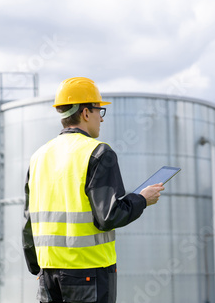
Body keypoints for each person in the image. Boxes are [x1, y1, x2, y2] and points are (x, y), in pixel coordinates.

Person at [22, 77, 164, 303]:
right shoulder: (98, 153)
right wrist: (142, 200)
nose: (101, 118)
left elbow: (29, 220)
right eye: (100, 111)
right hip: (89, 271)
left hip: (47, 272)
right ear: (86, 113)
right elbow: (109, 216)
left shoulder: (38, 156)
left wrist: (37, 267)